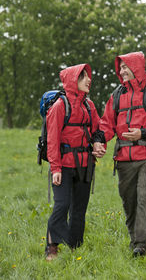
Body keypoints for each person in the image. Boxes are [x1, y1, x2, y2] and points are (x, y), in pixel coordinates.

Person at [93, 52, 146, 257]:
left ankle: (142, 245)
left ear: (136, 67)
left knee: (144, 198)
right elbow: (106, 124)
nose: (122, 71)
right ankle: (135, 240)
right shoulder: (116, 96)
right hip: (124, 158)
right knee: (129, 200)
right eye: (120, 68)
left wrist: (143, 133)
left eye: (125, 67)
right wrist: (100, 141)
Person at [45, 63, 100, 261]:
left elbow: (97, 130)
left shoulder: (89, 105)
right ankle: (52, 247)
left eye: (88, 76)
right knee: (62, 205)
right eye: (83, 77)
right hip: (63, 166)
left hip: (85, 165)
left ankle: (75, 247)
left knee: (79, 210)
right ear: (72, 81)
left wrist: (99, 145)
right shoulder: (60, 106)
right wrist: (55, 168)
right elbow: (52, 140)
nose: (88, 80)